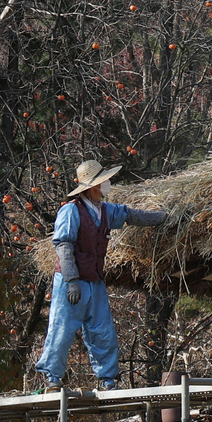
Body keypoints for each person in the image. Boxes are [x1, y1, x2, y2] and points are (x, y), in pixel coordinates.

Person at [33, 158, 168, 391]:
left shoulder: (105, 211)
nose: (108, 184)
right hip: (71, 281)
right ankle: (52, 378)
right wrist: (72, 280)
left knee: (102, 330)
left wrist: (163, 218)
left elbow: (130, 215)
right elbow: (64, 245)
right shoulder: (71, 210)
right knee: (62, 328)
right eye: (104, 181)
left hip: (94, 280)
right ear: (94, 186)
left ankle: (108, 379)